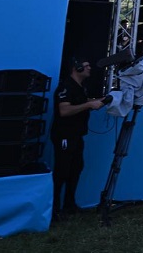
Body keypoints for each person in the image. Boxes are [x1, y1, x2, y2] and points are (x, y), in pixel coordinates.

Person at [51, 58, 105, 221]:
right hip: (65, 135)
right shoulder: (66, 86)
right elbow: (64, 110)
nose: (89, 68)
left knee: (76, 169)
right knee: (62, 171)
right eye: (86, 65)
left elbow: (80, 103)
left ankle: (69, 205)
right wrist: (88, 105)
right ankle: (54, 210)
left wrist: (97, 101)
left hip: (77, 135)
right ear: (77, 68)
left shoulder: (81, 88)